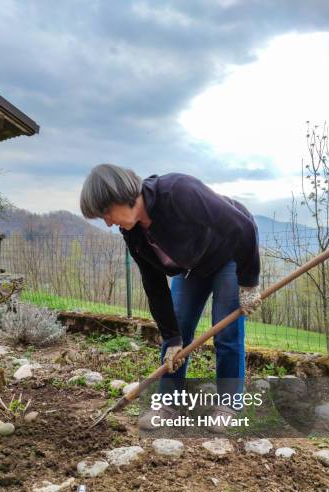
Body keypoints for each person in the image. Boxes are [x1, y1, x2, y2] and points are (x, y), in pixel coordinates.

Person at [80, 164, 261, 432]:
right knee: (178, 328)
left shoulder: (178, 192)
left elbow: (242, 227)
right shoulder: (132, 232)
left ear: (121, 194)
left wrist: (248, 284)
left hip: (229, 255)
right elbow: (153, 283)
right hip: (192, 267)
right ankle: (168, 403)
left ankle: (229, 403)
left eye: (106, 212)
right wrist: (172, 336)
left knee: (226, 331)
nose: (107, 222)